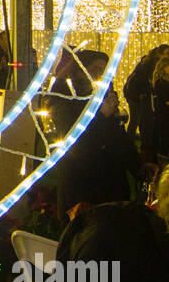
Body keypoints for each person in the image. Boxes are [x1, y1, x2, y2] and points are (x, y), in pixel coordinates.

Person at [54, 87, 148, 219]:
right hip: (86, 200)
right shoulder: (73, 112)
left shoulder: (113, 123)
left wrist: (141, 169)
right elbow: (82, 151)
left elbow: (124, 148)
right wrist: (101, 116)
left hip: (114, 198)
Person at [124, 43, 169, 158]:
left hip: (138, 94)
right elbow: (145, 81)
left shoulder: (149, 63)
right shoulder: (151, 65)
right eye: (167, 53)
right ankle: (132, 145)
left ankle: (136, 145)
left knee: (140, 120)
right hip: (138, 95)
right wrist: (142, 94)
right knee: (139, 119)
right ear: (160, 54)